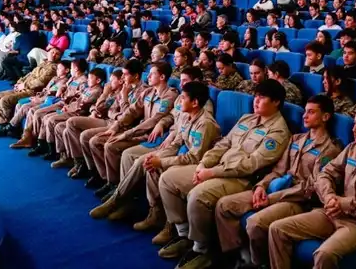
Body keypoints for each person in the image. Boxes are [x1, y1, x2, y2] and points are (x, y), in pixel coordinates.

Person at [157, 80, 291, 267]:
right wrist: (203, 164)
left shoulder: (278, 131)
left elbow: (251, 165)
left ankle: (202, 249)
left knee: (198, 195)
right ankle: (183, 234)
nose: (256, 100)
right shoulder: (247, 118)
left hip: (242, 180)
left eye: (262, 97)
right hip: (217, 168)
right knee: (168, 179)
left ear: (276, 102)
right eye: (256, 96)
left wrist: (211, 172)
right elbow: (223, 144)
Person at [268, 103, 356, 269]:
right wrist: (329, 197)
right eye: (354, 124)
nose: (354, 130)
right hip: (332, 211)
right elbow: (325, 174)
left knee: (324, 254)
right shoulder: (352, 148)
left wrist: (345, 203)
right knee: (277, 229)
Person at [215, 94, 342, 268]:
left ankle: (260, 263)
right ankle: (239, 257)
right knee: (224, 205)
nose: (304, 116)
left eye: (311, 112)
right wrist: (261, 186)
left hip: (297, 200)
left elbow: (311, 187)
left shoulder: (330, 150)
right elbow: (279, 170)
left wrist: (273, 197)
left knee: (255, 223)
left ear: (325, 117)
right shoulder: (296, 139)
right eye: (305, 111)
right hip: (274, 189)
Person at [89, 82, 221, 224]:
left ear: (195, 102)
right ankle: (121, 200)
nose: (180, 101)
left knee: (152, 165)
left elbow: (194, 157)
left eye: (183, 98)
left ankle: (141, 208)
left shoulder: (205, 123)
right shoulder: (185, 116)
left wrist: (162, 161)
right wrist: (159, 154)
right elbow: (177, 142)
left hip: (200, 163)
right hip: (182, 152)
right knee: (145, 160)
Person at [91, 61, 179, 199]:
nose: (148, 77)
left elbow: (155, 120)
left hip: (151, 137)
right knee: (105, 143)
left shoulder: (169, 95)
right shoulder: (148, 92)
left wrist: (126, 134)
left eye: (152, 74)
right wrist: (117, 125)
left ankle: (124, 193)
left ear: (162, 77)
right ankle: (113, 183)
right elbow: (132, 111)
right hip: (139, 132)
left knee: (112, 146)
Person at [0, 47, 61, 129]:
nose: (54, 55)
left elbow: (40, 82)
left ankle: (10, 125)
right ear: (47, 53)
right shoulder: (43, 63)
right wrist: (20, 82)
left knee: (5, 101)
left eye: (57, 54)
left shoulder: (53, 68)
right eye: (52, 52)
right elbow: (30, 74)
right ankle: (3, 123)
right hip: (23, 87)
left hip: (31, 91)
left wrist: (24, 85)